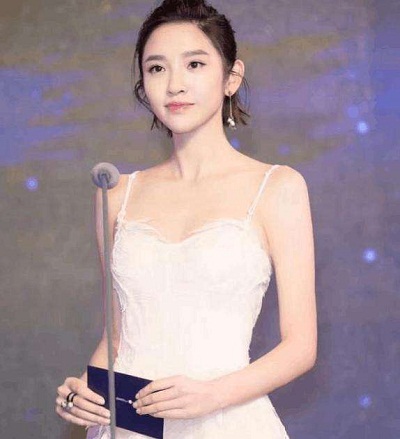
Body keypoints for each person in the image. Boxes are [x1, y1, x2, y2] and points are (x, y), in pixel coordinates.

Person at [55, 0, 317, 437]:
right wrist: (82, 392)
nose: (175, 84)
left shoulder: (278, 187)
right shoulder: (116, 195)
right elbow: (117, 337)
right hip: (131, 427)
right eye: (157, 68)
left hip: (226, 421)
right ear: (143, 84)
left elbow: (300, 346)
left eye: (194, 64)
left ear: (231, 77)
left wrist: (212, 395)